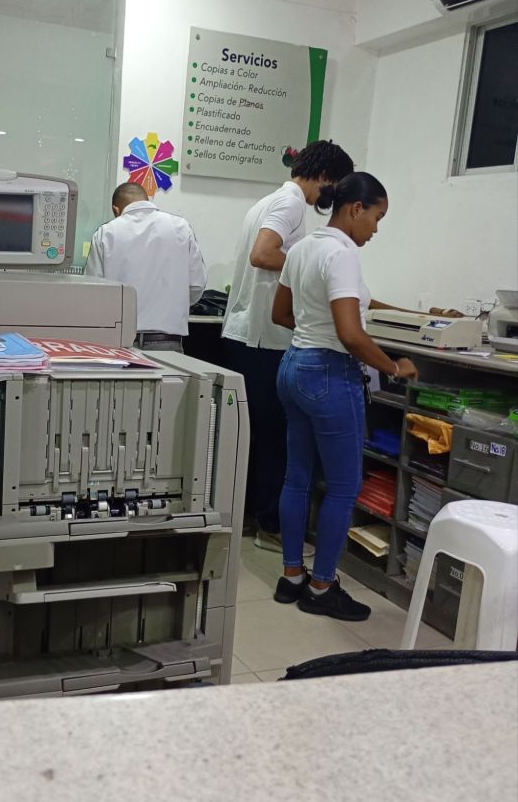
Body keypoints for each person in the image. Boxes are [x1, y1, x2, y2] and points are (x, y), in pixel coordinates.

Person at [271, 172, 419, 621]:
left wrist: (314, 332)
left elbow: (281, 314)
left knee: (297, 477)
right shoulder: (342, 254)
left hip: (293, 366)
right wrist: (393, 367)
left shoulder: (302, 248)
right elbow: (351, 335)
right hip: (329, 374)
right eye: (377, 217)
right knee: (343, 485)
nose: (375, 228)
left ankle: (291, 577)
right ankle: (321, 588)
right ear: (356, 209)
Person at [222, 140, 355, 555]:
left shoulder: (267, 201)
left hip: (246, 334)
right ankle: (271, 526)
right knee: (276, 439)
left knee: (256, 436)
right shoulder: (292, 203)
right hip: (264, 338)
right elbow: (263, 254)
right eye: (334, 186)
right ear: (325, 177)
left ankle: (249, 515)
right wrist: (309, 267)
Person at [85, 183, 207, 352]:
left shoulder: (106, 233)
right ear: (146, 199)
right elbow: (197, 285)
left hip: (119, 343)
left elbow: (93, 292)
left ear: (115, 210)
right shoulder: (181, 227)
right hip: (167, 343)